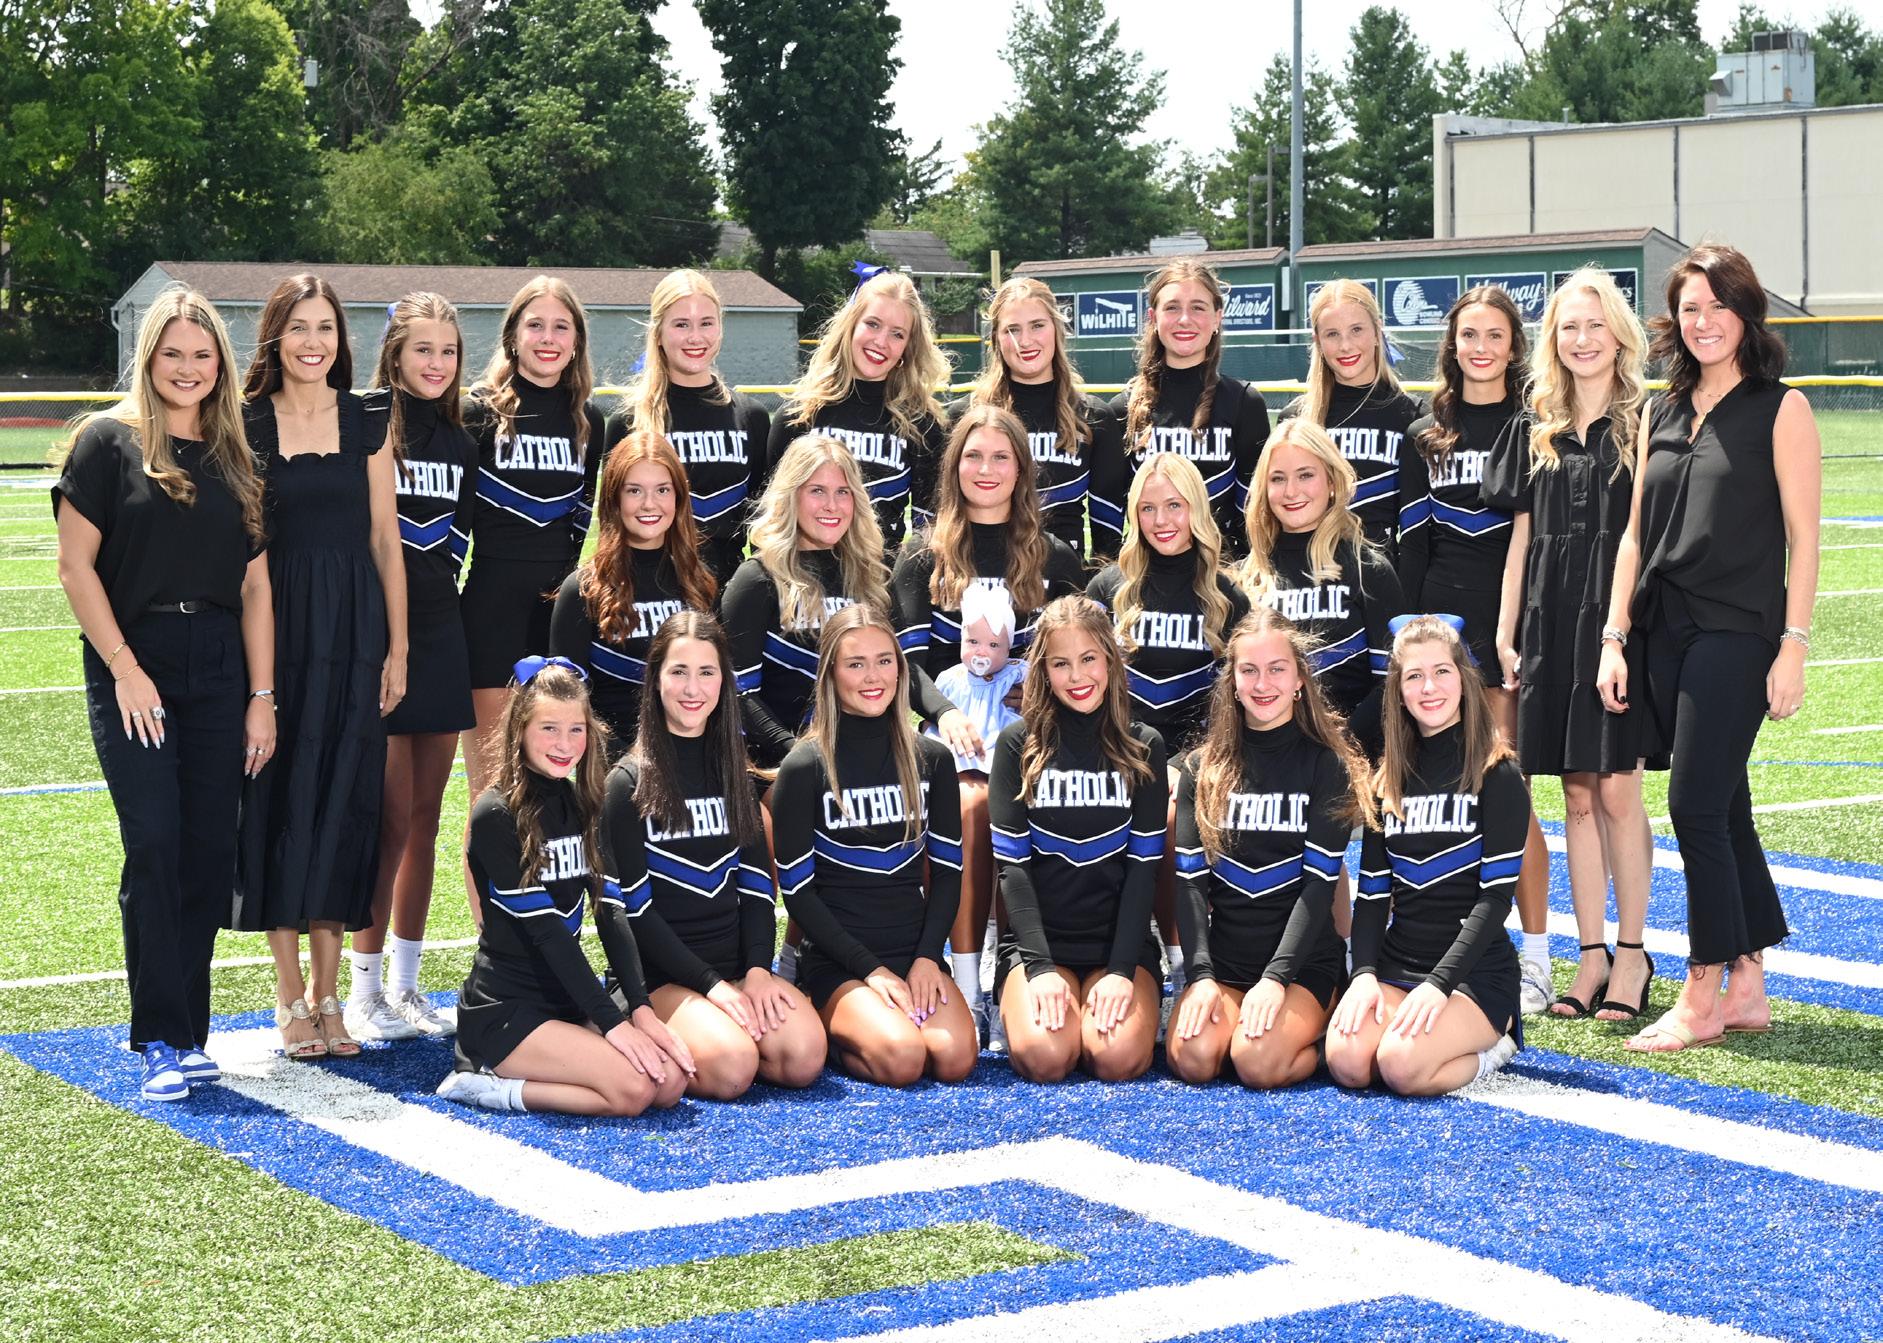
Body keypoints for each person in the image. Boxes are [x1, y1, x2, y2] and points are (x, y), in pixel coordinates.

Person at [53, 288, 274, 1099]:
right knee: (154, 839)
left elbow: (255, 588)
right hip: (133, 659)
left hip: (218, 662)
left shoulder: (235, 454)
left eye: (202, 354)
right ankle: (156, 1035)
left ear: (221, 364)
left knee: (208, 847)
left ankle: (186, 1030)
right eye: (173, 353)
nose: (188, 368)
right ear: (148, 358)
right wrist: (124, 666)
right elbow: (75, 567)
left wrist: (262, 695)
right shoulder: (106, 443)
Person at [1600, 243, 1821, 1052]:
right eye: (1689, 308)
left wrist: (1792, 645)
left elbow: (1804, 538)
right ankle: (1748, 985)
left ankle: (1700, 994)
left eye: (1718, 305)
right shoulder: (1659, 412)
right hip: (1663, 629)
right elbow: (1633, 535)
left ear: (1745, 313)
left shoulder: (1780, 408)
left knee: (1692, 803)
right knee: (1726, 806)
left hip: (1738, 629)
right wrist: (1613, 635)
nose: (1703, 321)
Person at [230, 274, 405, 1063]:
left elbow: (385, 540)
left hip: (357, 630)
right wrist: (258, 683)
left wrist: (398, 647)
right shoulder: (246, 423)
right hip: (277, 629)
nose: (313, 342)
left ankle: (332, 994)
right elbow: (248, 554)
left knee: (343, 798)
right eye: (299, 327)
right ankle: (288, 991)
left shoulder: (367, 418)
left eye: (325, 328)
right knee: (279, 797)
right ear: (276, 336)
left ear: (341, 339)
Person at [1484, 268, 1658, 1023]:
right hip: (1550, 618)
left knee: (1617, 788)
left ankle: (1633, 953)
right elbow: (1521, 541)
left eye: (1594, 324)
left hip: (1617, 620)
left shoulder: (1646, 420)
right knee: (1575, 795)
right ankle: (1589, 956)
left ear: (1618, 333)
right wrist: (1506, 629)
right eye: (1567, 327)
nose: (1582, 339)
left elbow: (1640, 533)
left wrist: (1619, 630)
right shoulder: (1535, 425)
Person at [889, 403, 1085, 1030]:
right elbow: (906, 665)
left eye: (1001, 456)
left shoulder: (1055, 557)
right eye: (973, 455)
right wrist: (945, 713)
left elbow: (1081, 657)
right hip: (955, 737)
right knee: (974, 807)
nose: (986, 468)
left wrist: (1040, 695)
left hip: (1038, 738)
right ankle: (970, 984)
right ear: (954, 467)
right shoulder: (922, 554)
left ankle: (1026, 964)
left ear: (1022, 468)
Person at [440, 657, 693, 1115]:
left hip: (566, 999)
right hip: (508, 1008)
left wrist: (639, 1008)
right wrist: (612, 1024)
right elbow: (547, 933)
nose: (565, 744)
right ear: (520, 730)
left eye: (576, 729)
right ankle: (486, 1084)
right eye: (549, 729)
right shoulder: (495, 814)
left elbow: (611, 912)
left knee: (669, 1082)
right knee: (635, 1090)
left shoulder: (583, 804)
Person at [1399, 287, 1555, 1015]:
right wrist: (1408, 636)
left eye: (1495, 334)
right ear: (1452, 344)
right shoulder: (1424, 431)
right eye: (1469, 335)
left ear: (1514, 344)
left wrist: (1512, 632)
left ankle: (1538, 956)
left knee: (1506, 792)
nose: (1481, 347)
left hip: (1507, 628)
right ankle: (1446, 948)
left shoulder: (1536, 424)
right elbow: (1412, 543)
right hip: (1440, 625)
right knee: (1439, 793)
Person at [602, 612, 826, 1097]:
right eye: (679, 672)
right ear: (655, 679)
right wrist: (710, 986)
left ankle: (724, 1028)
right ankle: (671, 1032)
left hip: (735, 971)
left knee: (804, 1056)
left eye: (707, 672)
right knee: (732, 1067)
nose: (693, 688)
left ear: (724, 682)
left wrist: (758, 971)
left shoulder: (732, 773)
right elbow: (635, 912)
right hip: (662, 978)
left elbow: (757, 889)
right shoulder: (626, 782)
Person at [771, 605, 977, 1086]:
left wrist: (927, 957)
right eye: (855, 663)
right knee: (902, 1059)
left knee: (954, 1060)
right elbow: (799, 894)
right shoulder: (805, 766)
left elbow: (948, 874)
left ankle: (882, 1015)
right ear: (830, 673)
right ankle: (824, 1018)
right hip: (841, 959)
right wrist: (871, 971)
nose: (873, 677)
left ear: (901, 669)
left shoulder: (931, 758)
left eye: (885, 661)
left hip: (913, 949)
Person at [1168, 609, 1372, 1088]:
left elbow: (1318, 888)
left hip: (1302, 965)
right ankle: (1244, 1023)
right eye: (1249, 670)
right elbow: (1191, 886)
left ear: (1299, 679)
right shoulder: (1202, 768)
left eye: (1277, 669)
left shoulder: (1327, 766)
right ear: (1232, 681)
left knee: (1257, 1063)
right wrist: (1201, 977)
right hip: (1227, 964)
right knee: (1192, 1059)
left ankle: (1322, 1037)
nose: (1263, 684)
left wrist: (1276, 979)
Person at [1326, 615, 1526, 1097]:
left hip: (1472, 974)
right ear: (1397, 691)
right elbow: (1373, 896)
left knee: (1401, 1066)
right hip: (1399, 965)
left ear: (1464, 679)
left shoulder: (1497, 775)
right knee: (1347, 1061)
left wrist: (1439, 985)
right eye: (1414, 676)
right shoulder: (1388, 780)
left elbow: (1494, 901)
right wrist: (1364, 974)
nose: (1429, 687)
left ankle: (1496, 1047)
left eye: (1441, 672)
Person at [349, 292, 477, 1042]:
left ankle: (405, 984)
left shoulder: (461, 438)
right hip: (377, 637)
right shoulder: (366, 423)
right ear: (393, 354)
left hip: (441, 631)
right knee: (389, 816)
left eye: (448, 350)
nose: (436, 362)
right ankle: (362, 986)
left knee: (426, 818)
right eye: (422, 349)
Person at [459, 277, 606, 916]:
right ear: (512, 336)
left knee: (556, 793)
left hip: (557, 622)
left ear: (577, 341)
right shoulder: (477, 414)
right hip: (489, 613)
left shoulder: (590, 422)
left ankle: (555, 929)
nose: (548, 339)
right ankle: (494, 944)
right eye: (535, 325)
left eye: (561, 327)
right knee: (493, 795)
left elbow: (582, 524)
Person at [1087, 452, 1249, 999]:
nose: (1161, 520)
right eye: (1148, 508)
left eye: (1174, 506)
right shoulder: (1108, 588)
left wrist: (1186, 763)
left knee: (1173, 809)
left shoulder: (1228, 598)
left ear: (1197, 509)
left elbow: (1235, 704)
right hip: (1115, 751)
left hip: (1196, 756)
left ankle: (1185, 964)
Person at [988, 596, 1168, 1083]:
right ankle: (1016, 1002)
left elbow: (1143, 872)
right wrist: (1040, 968)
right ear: (1043, 672)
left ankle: (1125, 1000)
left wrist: (1121, 970)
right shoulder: (1016, 746)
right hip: (1040, 945)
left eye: (1088, 658)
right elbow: (1013, 872)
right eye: (1060, 664)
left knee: (1116, 1058)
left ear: (1109, 659)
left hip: (1119, 946)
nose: (1077, 676)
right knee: (1046, 1058)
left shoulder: (1144, 745)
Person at [719, 434, 891, 774]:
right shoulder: (757, 579)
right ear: (791, 496)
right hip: (778, 765)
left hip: (862, 754)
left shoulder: (870, 577)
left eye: (843, 492)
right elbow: (738, 694)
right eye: (817, 491)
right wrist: (799, 756)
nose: (832, 505)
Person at [1239, 420, 1404, 760]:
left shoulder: (1369, 570)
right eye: (1277, 479)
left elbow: (1392, 682)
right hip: (1267, 760)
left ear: (1331, 481)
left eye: (1305, 475)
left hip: (1353, 759)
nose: (1291, 491)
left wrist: (1337, 749)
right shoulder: (1248, 579)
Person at [549, 429, 717, 755]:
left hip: (692, 758)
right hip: (614, 766)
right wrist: (631, 762)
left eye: (662, 490)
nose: (649, 504)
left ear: (679, 497)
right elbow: (569, 704)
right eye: (634, 490)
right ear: (614, 498)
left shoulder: (700, 583)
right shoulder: (583, 589)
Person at [604, 269, 771, 586]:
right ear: (658, 333)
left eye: (706, 323)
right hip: (650, 594)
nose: (696, 337)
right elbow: (612, 531)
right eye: (681, 324)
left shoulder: (751, 418)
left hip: (729, 594)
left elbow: (764, 531)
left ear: (720, 328)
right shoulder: (629, 422)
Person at [1099, 258, 1271, 560]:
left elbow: (1254, 514)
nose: (1184, 319)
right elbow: (1109, 522)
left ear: (1217, 318)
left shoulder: (1244, 403)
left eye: (1198, 308)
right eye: (1172, 307)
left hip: (1222, 573)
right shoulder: (1123, 408)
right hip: (1147, 575)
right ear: (1153, 317)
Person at [768, 271, 950, 553]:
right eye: (873, 324)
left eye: (897, 334)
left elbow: (928, 535)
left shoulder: (921, 424)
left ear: (908, 347)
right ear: (851, 325)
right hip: (804, 576)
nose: (881, 341)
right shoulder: (799, 415)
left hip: (882, 576)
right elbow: (770, 524)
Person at [952, 276, 1120, 566]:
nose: (1025, 341)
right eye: (1012, 329)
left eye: (1037, 325)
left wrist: (1092, 586)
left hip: (1063, 580)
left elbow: (1109, 532)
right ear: (996, 339)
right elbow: (942, 517)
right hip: (980, 576)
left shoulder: (1094, 418)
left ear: (1057, 330)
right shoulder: (965, 417)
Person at [1280, 279, 1422, 550]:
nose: (1345, 345)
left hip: (1384, 572)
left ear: (1377, 332)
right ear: (1318, 341)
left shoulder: (1412, 417)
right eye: (1332, 334)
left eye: (1356, 330)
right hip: (1311, 572)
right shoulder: (1296, 420)